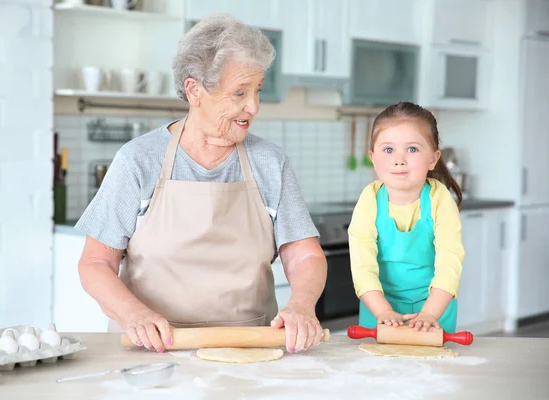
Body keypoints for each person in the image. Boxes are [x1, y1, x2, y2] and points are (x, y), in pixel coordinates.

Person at [74, 13, 327, 354]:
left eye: (257, 91)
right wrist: (132, 314)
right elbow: (95, 263)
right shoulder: (138, 160)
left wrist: (301, 305)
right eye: (239, 92)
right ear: (195, 90)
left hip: (251, 350)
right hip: (153, 350)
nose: (252, 107)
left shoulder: (270, 162)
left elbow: (303, 256)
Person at [348, 101, 464, 334]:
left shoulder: (439, 199)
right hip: (379, 310)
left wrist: (429, 314)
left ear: (433, 158)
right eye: (388, 150)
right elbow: (363, 268)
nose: (399, 159)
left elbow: (449, 265)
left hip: (434, 311)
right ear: (373, 157)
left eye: (412, 149)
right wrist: (382, 312)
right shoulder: (369, 199)